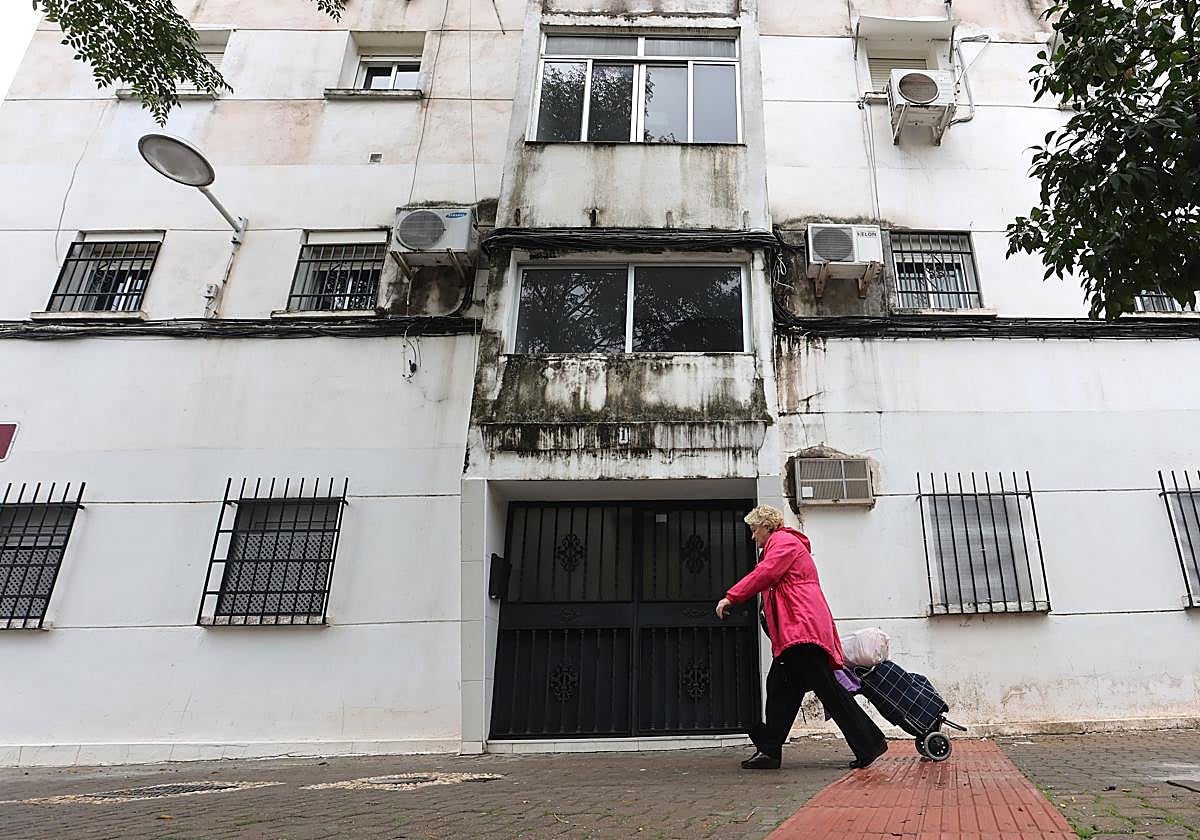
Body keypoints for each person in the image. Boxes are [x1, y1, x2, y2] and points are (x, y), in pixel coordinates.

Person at [716, 504, 887, 770]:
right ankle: (770, 750)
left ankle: (870, 743)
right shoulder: (780, 544)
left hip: (802, 630)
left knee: (827, 690)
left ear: (766, 526)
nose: (753, 536)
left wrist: (732, 597)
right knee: (780, 687)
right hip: (796, 631)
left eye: (754, 530)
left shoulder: (783, 542)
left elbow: (766, 574)